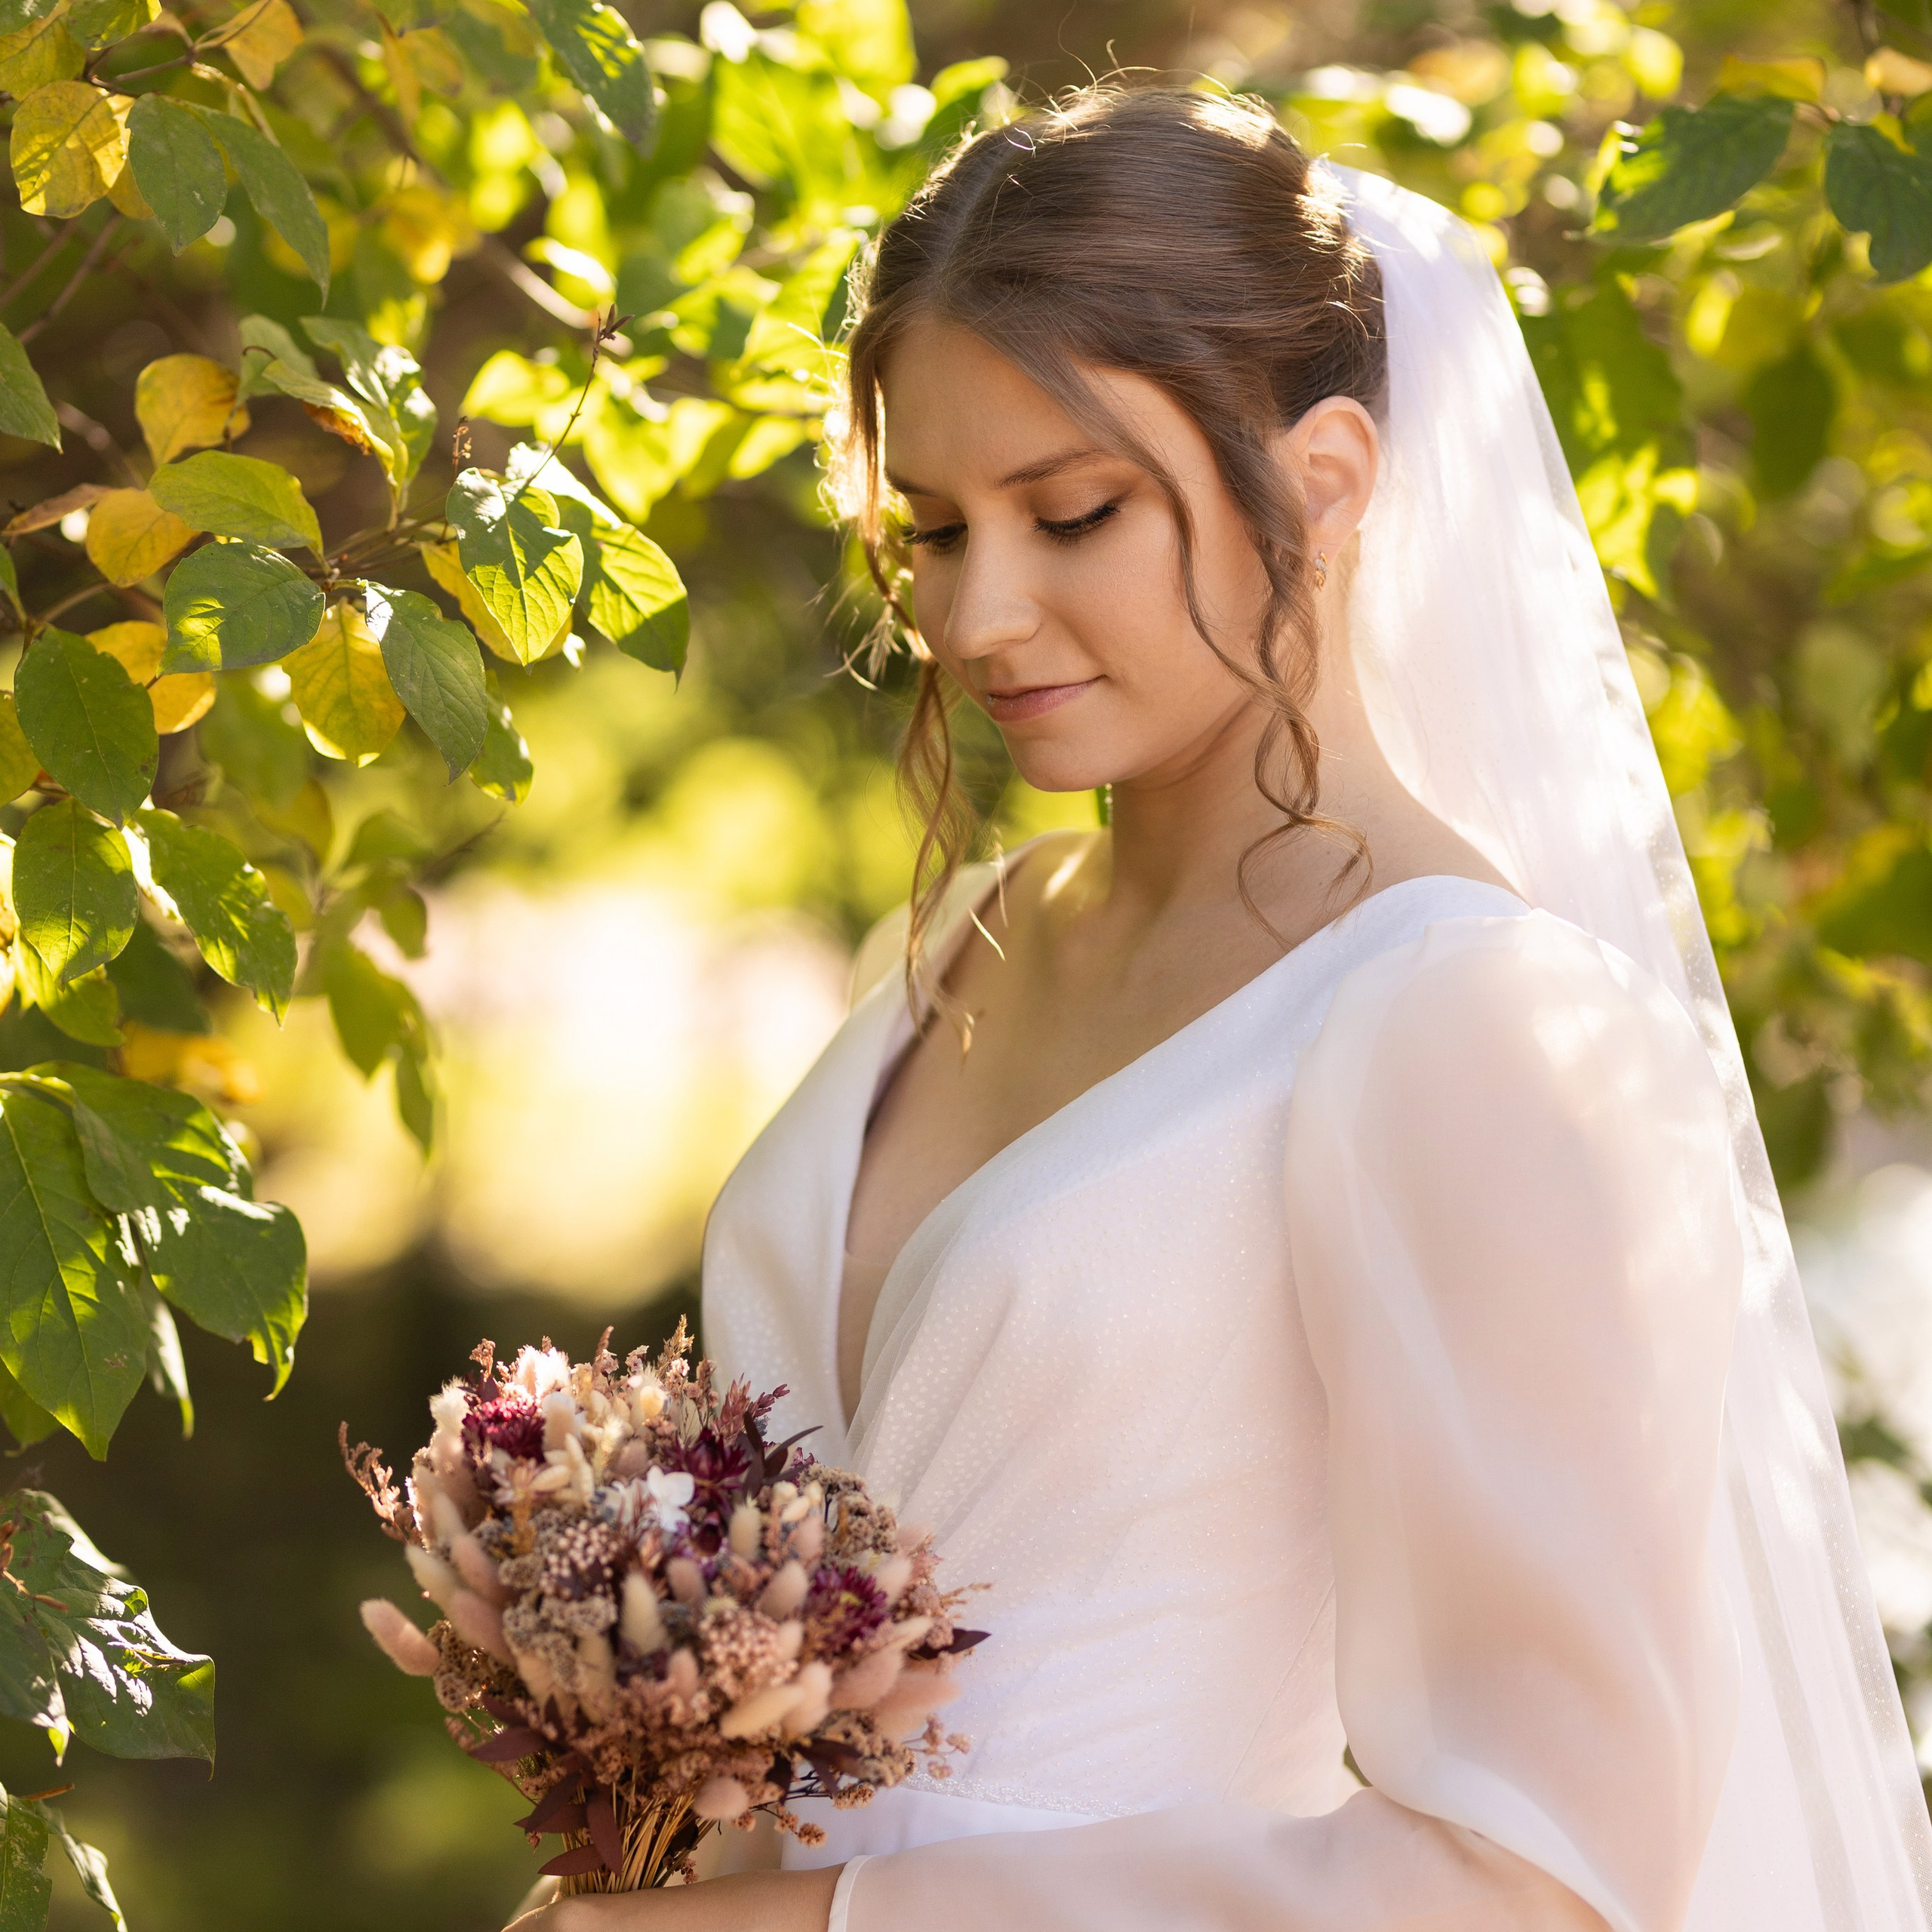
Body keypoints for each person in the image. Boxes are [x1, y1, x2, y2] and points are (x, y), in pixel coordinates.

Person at [514, 85, 1932, 1932]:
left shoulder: (1469, 1025)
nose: (974, 613)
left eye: (1073, 511)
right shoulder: (963, 935)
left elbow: (1537, 1880)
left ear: (1324, 481)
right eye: (933, 529)